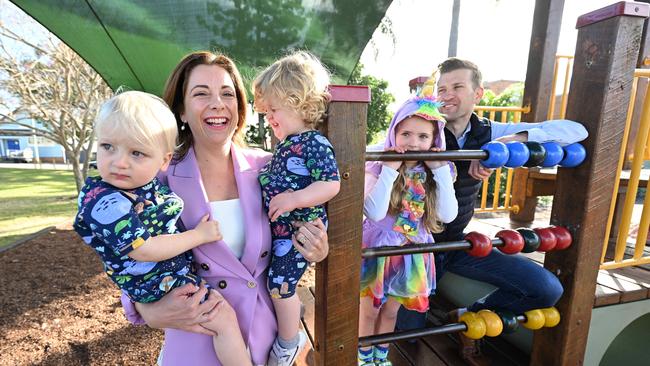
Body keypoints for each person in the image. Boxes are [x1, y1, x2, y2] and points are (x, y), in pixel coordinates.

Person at [119, 51, 330, 366]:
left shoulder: (272, 168)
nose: (217, 103)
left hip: (267, 346)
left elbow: (305, 224)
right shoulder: (158, 180)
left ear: (239, 108)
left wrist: (318, 249)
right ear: (182, 111)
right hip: (196, 342)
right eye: (201, 93)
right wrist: (144, 308)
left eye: (227, 94)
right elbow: (127, 252)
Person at [395, 57, 589, 364]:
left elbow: (575, 130)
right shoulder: (424, 128)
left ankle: (468, 320)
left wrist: (504, 145)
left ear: (478, 94)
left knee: (546, 289)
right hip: (414, 248)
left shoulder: (491, 132)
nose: (446, 94)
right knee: (406, 336)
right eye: (441, 88)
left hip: (457, 243)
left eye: (457, 86)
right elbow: (386, 150)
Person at [73, 91, 252, 365]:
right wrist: (197, 236)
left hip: (173, 278)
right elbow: (143, 249)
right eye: (108, 146)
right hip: (159, 283)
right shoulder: (105, 199)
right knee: (224, 320)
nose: (120, 161)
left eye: (136, 152)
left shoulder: (146, 185)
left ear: (164, 160)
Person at [252, 51, 341, 365]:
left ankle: (289, 342)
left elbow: (331, 184)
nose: (268, 117)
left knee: (279, 286)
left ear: (299, 102)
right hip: (283, 230)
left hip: (301, 229)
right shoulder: (288, 143)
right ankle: (289, 323)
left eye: (273, 109)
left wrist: (294, 199)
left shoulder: (313, 142)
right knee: (276, 283)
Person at [358, 89, 458, 366]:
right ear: (393, 135)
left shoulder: (435, 172)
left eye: (423, 136)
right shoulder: (377, 167)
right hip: (377, 248)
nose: (414, 142)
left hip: (413, 251)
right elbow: (375, 213)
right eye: (406, 134)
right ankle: (363, 357)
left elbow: (447, 216)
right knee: (368, 312)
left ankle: (381, 356)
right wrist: (390, 168)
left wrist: (439, 168)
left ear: (434, 140)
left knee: (390, 313)